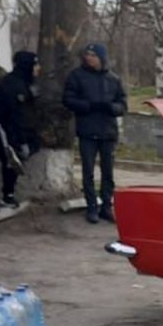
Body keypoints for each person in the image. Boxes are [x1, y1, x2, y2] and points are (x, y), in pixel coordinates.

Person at [61, 41, 127, 224]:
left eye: (93, 55)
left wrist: (112, 108)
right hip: (87, 130)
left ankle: (106, 205)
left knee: (108, 172)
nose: (89, 58)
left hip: (108, 131)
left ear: (101, 58)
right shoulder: (77, 76)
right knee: (88, 171)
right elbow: (68, 99)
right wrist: (88, 106)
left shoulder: (113, 79)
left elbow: (123, 104)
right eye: (87, 55)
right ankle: (91, 207)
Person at [0, 51, 41, 208]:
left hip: (15, 125)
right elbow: (14, 116)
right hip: (0, 124)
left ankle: (9, 194)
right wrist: (21, 140)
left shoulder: (27, 82)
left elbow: (28, 112)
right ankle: (6, 196)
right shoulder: (12, 84)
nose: (38, 68)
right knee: (10, 158)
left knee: (17, 158)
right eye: (35, 64)